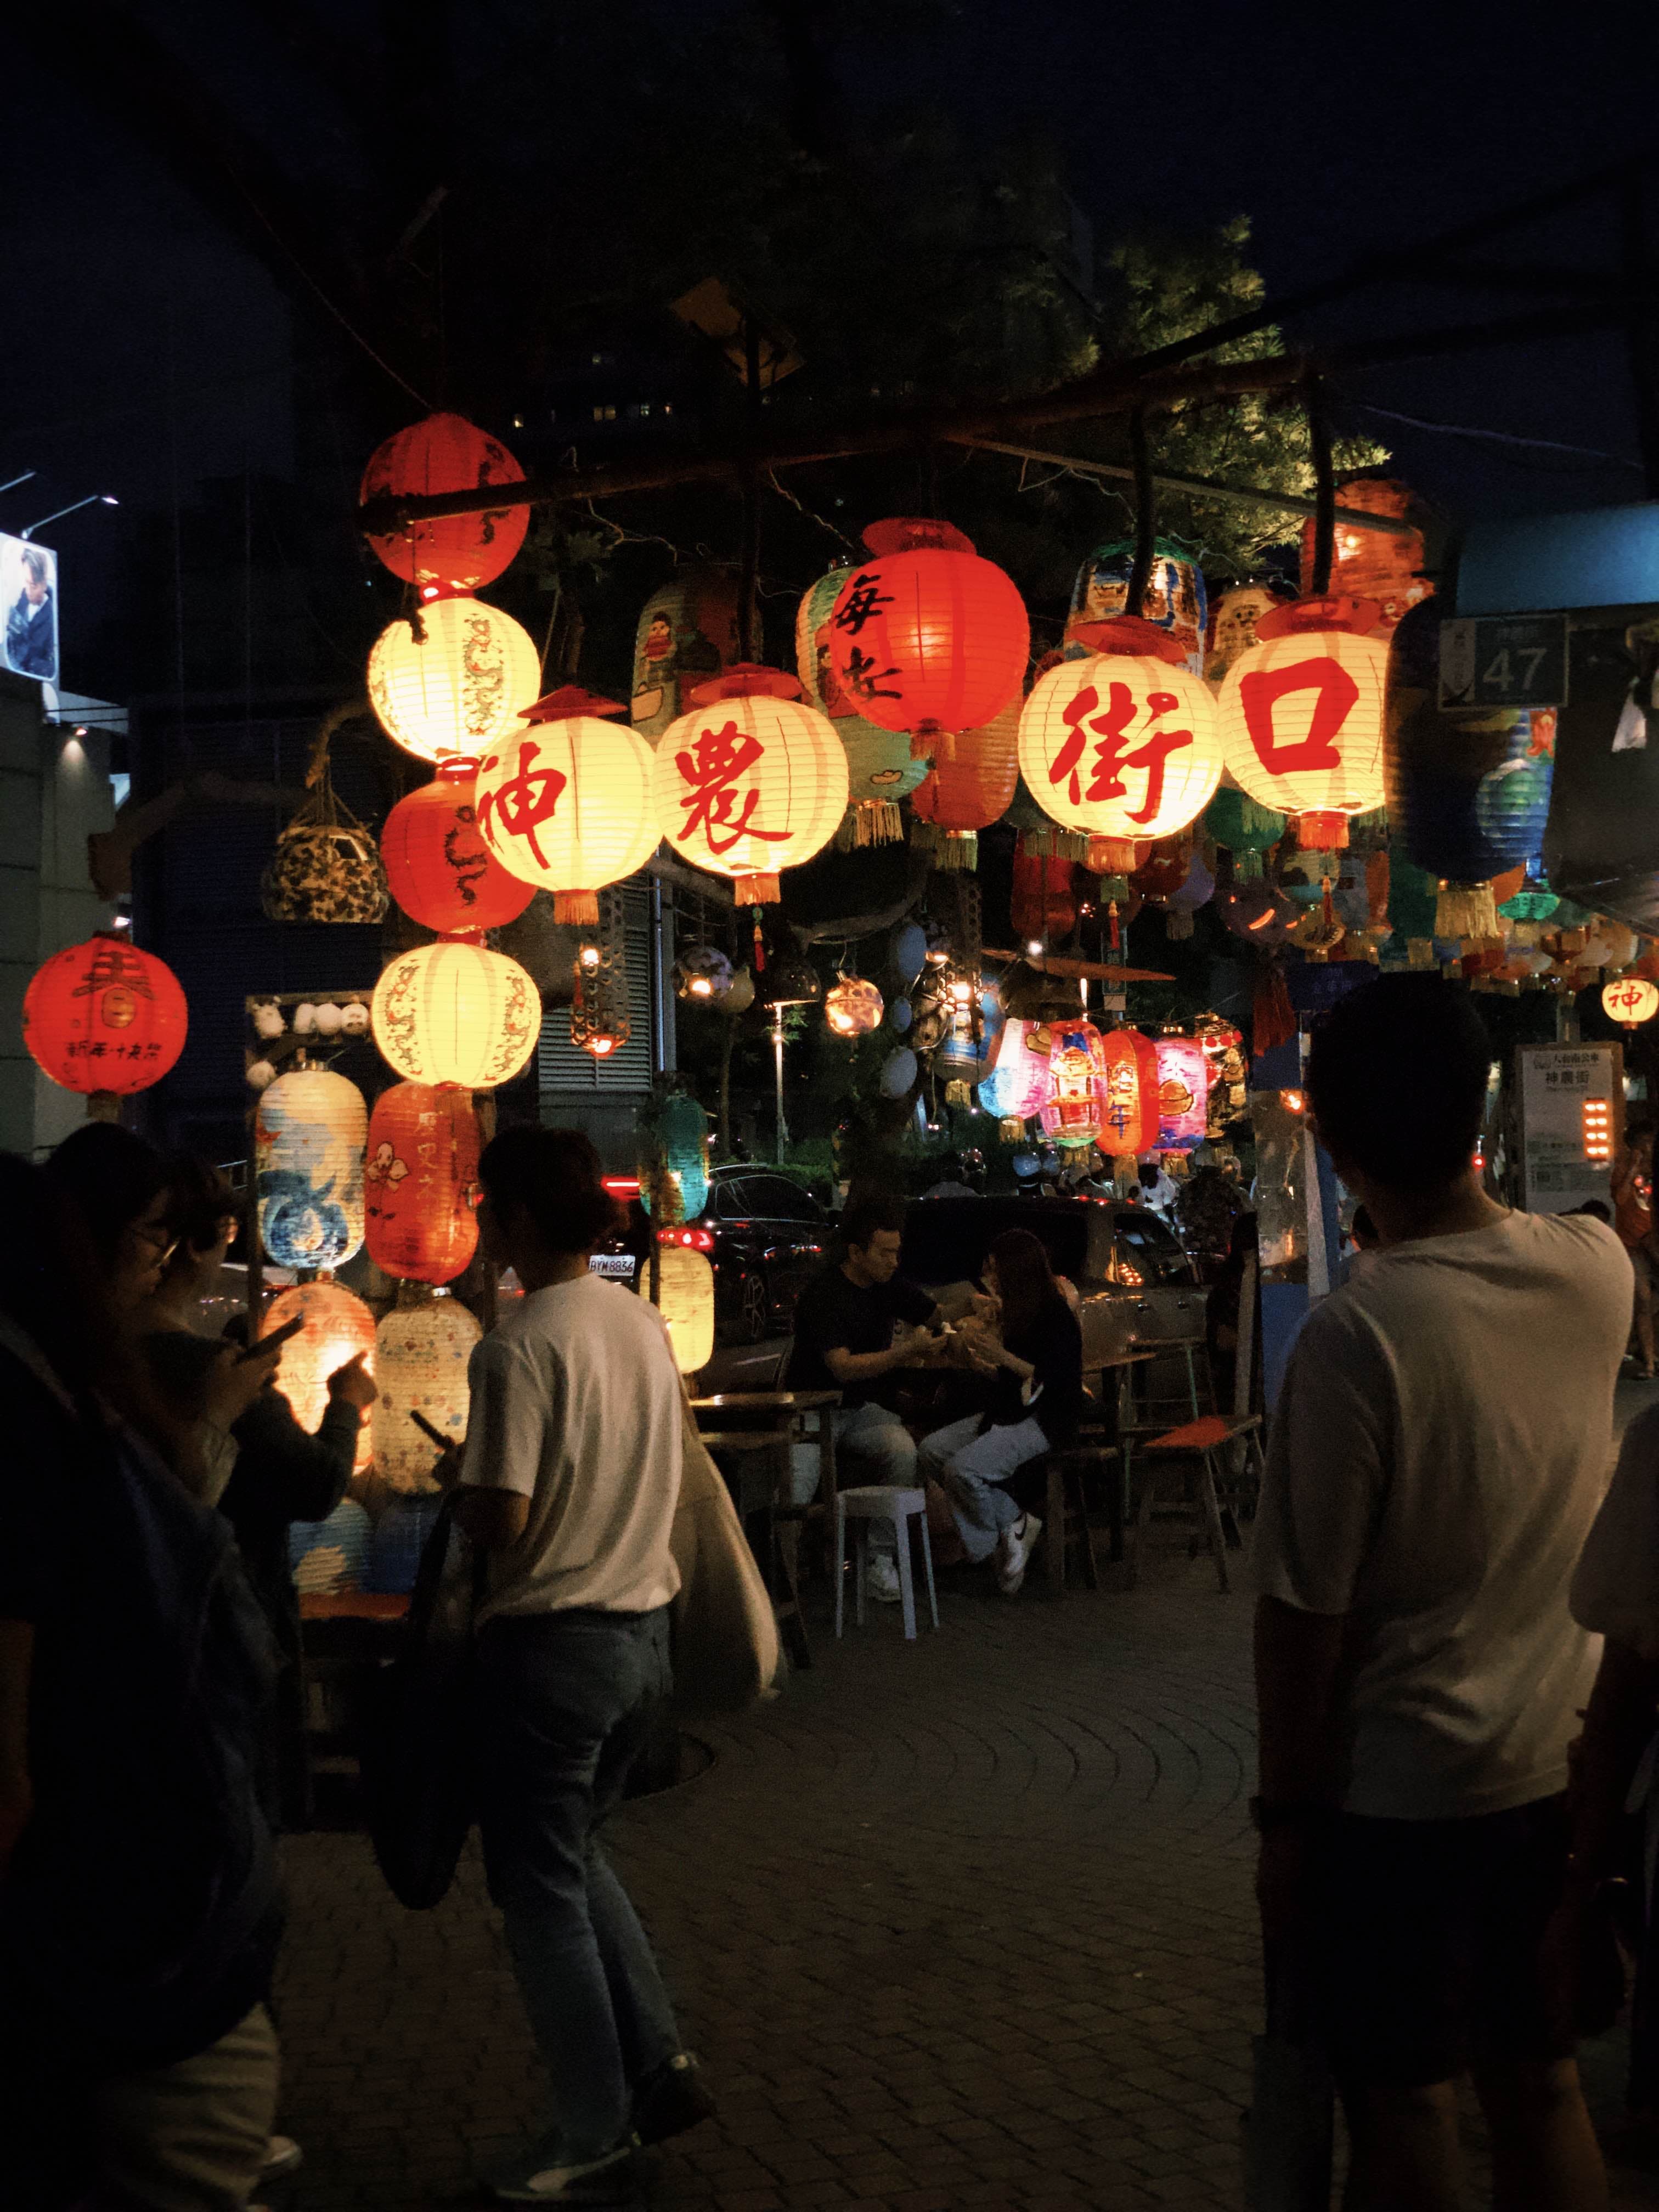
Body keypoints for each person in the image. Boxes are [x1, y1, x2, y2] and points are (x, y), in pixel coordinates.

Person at [1252, 974, 1630, 2212]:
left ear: (1339, 1142)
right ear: (1478, 1114)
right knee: (1542, 2083)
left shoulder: (1356, 1339)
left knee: (1409, 2099)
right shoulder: (1593, 1273)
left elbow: (1306, 1614)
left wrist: (1287, 1822)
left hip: (1399, 1798)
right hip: (1555, 1771)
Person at [1, 1132, 288, 2212]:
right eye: (156, 1237)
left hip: (121, 1925)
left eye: (186, 1236)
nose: (171, 1260)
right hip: (137, 1932)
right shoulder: (63, 1417)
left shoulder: (66, 1408)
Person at [450, 1127, 707, 2204]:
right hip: (645, 1640)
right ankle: (656, 2062)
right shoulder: (640, 1324)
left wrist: (457, 1497)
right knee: (574, 1854)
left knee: (538, 1885)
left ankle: (593, 2125)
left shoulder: (516, 1347)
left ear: (511, 1219)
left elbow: (503, 1521)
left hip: (553, 1648)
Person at [139, 1155, 376, 1831]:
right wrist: (344, 1404)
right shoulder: (215, 1374)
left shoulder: (101, 1356)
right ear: (211, 1239)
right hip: (225, 1621)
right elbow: (317, 1486)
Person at [786, 1191, 946, 1604]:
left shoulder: (889, 1284)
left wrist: (976, 1304)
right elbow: (843, 1367)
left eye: (897, 1252)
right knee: (795, 1493)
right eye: (885, 1253)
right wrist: (906, 1353)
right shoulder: (826, 1293)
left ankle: (879, 1560)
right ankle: (777, 1580)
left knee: (903, 1451)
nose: (894, 1262)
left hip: (859, 1410)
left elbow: (936, 1314)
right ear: (857, 1252)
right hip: (812, 1407)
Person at [917, 1228, 1083, 1596]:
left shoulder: (1054, 1313)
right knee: (931, 1450)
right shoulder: (1015, 1312)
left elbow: (1054, 1380)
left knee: (962, 1469)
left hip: (1045, 1418)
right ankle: (1011, 1524)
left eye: (995, 1269)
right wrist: (983, 1364)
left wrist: (1000, 1355)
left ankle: (995, 1541)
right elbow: (1011, 1377)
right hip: (1007, 1409)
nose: (990, 1278)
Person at [1612, 1131, 1655, 1378]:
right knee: (1643, 1298)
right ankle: (1649, 1363)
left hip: (1654, 1242)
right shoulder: (1623, 1172)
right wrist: (1633, 1169)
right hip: (1634, 1246)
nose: (1648, 1149)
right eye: (1643, 1145)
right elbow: (1620, 1198)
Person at [5, 544, 57, 681]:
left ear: (44, 584)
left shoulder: (52, 618)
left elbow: (45, 661)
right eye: (26, 583)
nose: (28, 591)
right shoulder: (23, 596)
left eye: (33, 586)